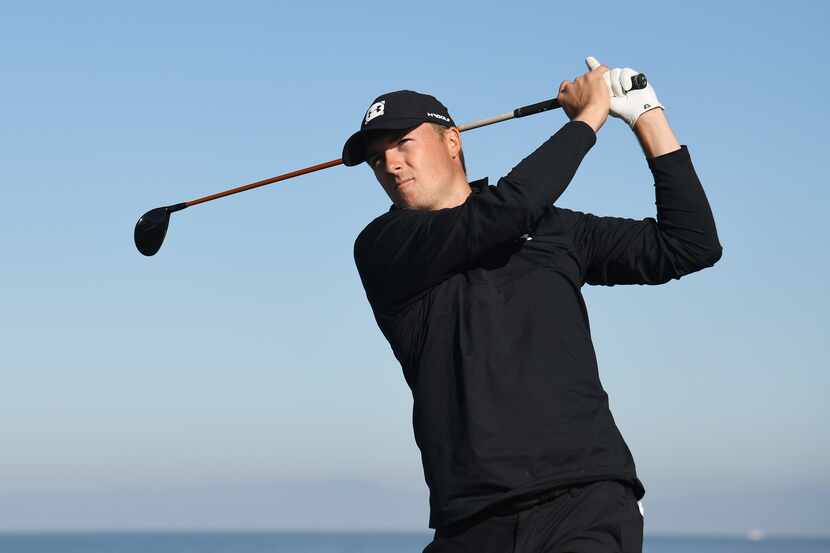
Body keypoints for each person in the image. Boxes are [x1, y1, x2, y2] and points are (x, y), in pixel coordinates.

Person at [342, 56, 722, 553]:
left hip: (584, 500)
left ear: (452, 140)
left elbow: (689, 244)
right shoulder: (383, 245)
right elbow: (503, 212)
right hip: (471, 521)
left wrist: (646, 114)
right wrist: (588, 119)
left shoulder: (552, 230)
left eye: (402, 143)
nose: (390, 164)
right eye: (376, 157)